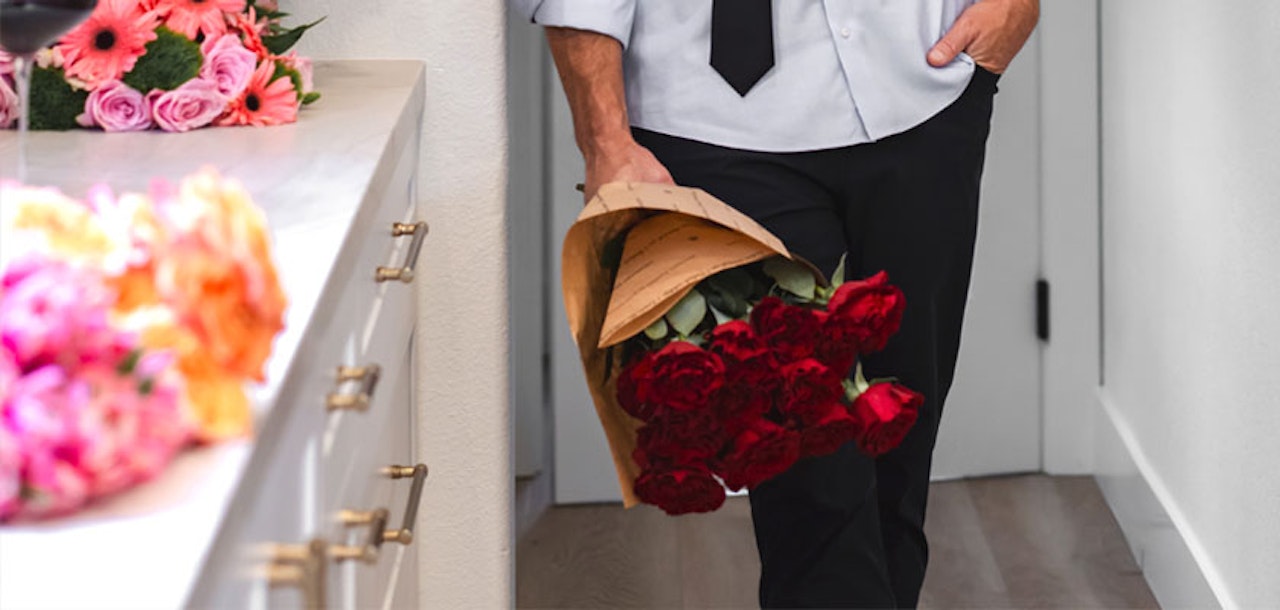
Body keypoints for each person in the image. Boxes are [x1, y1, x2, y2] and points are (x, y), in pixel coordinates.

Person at [512, 1, 1038, 607]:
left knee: (896, 448)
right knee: (813, 476)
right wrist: (603, 139)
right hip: (713, 128)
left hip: (922, 98)